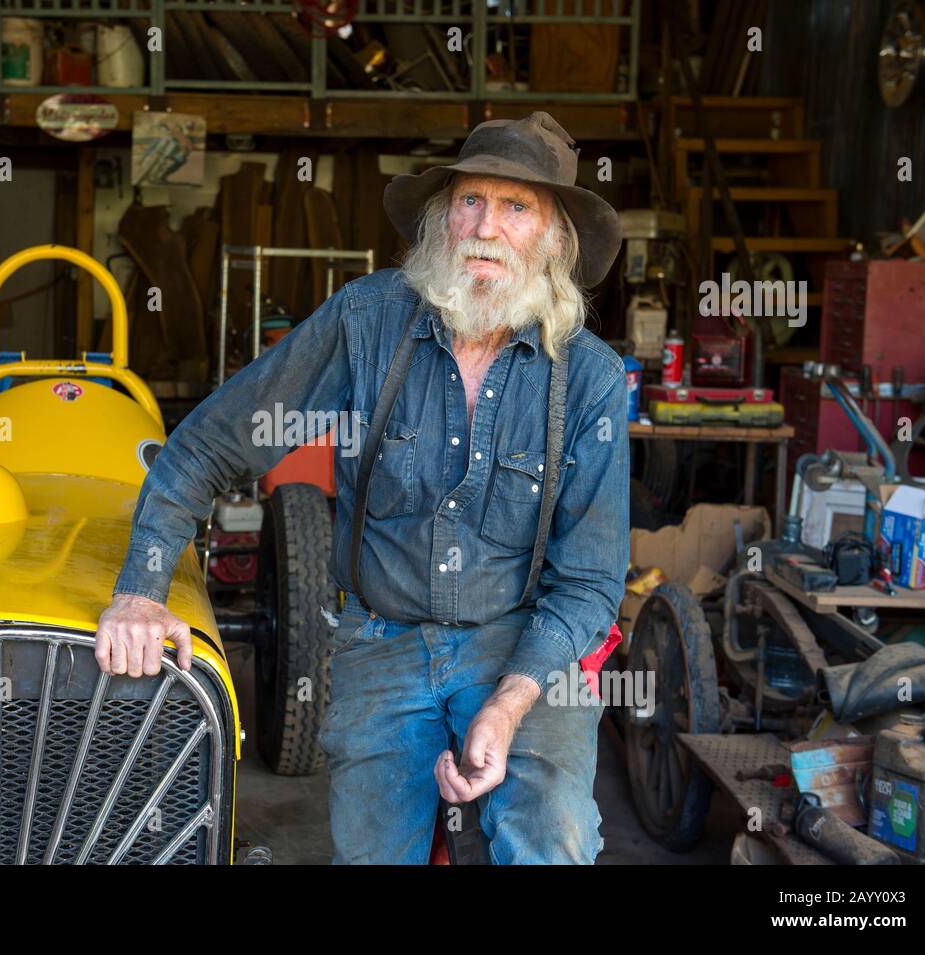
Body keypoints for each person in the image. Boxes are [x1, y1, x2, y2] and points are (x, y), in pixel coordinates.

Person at [97, 111, 629, 863]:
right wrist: (142, 589)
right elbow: (212, 442)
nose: (486, 226)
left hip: (521, 646)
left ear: (553, 239)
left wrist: (508, 705)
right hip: (382, 640)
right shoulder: (367, 322)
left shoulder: (592, 381)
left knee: (553, 833)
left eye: (516, 207)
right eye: (470, 200)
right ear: (443, 218)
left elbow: (590, 584)